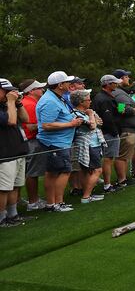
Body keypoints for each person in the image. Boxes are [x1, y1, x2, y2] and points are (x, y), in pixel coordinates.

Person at [37, 71, 80, 212]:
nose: (70, 84)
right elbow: (47, 125)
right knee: (63, 171)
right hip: (55, 143)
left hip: (59, 142)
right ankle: (57, 203)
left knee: (53, 172)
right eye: (67, 82)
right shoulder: (50, 101)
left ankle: (52, 204)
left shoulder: (56, 97)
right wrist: (71, 124)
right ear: (60, 85)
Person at [0, 78, 33, 226]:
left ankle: (13, 215)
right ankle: (2, 219)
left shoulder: (7, 105)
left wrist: (18, 103)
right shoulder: (6, 106)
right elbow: (11, 121)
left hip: (17, 151)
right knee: (3, 188)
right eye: (6, 91)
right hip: (4, 154)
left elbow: (25, 119)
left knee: (15, 185)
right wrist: (11, 102)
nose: (10, 93)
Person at [92, 75, 128, 193]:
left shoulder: (108, 96)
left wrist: (120, 109)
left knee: (109, 158)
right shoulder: (103, 98)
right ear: (108, 84)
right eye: (114, 83)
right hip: (109, 132)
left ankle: (107, 184)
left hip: (109, 131)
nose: (116, 84)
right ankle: (107, 185)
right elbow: (107, 119)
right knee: (108, 158)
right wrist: (115, 133)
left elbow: (116, 112)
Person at [69, 89, 105, 203]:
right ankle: (86, 196)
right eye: (88, 100)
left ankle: (87, 195)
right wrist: (91, 115)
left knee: (87, 171)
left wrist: (93, 118)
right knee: (97, 170)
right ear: (81, 102)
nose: (90, 101)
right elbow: (93, 126)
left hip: (93, 143)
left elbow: (99, 123)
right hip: (88, 145)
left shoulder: (85, 113)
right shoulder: (76, 114)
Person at [111, 69, 135, 187]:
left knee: (125, 156)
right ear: (120, 79)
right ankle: (122, 180)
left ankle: (124, 178)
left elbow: (121, 109)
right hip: (127, 130)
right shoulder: (120, 93)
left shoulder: (119, 92)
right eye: (126, 77)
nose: (128, 79)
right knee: (122, 156)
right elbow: (123, 110)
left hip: (128, 129)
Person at [18, 79, 47, 211]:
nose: (42, 90)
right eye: (39, 88)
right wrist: (48, 124)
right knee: (32, 173)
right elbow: (30, 127)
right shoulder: (29, 104)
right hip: (31, 141)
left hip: (28, 141)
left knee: (26, 172)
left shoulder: (29, 102)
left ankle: (18, 200)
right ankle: (33, 202)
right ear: (31, 91)